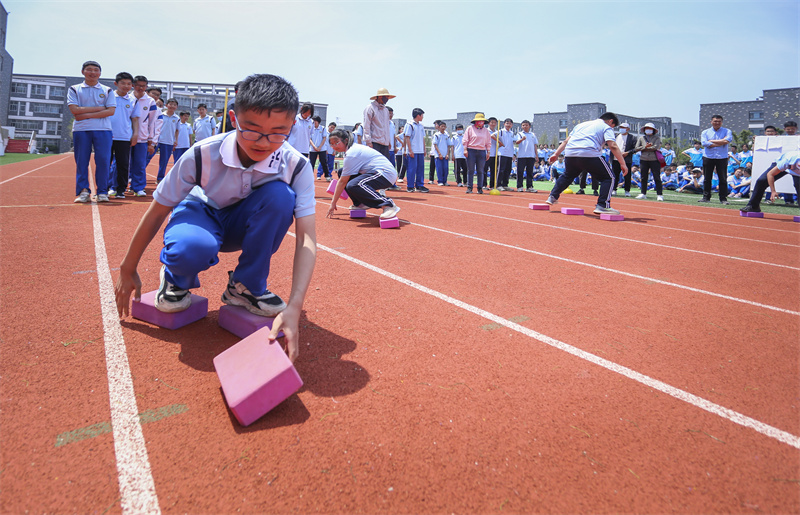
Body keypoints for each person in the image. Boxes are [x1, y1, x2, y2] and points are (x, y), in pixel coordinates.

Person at [114, 74, 317, 363]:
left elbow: (307, 236)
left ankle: (245, 287)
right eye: (253, 130)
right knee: (192, 248)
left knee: (281, 197)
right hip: (200, 213)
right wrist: (127, 267)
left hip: (241, 224)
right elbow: (158, 209)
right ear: (234, 118)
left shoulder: (295, 165)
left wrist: (295, 306)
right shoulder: (203, 154)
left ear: (292, 126)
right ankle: (175, 278)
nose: (263, 142)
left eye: (277, 132)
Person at [546, 112, 627, 215]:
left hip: (570, 154)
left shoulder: (581, 125)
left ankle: (552, 196)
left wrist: (556, 154)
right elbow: (613, 145)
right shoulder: (606, 127)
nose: (612, 128)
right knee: (609, 178)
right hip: (589, 153)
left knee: (568, 175)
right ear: (611, 121)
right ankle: (602, 205)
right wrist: (622, 163)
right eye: (613, 126)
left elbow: (566, 141)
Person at [326, 129, 400, 220]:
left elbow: (342, 182)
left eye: (336, 142)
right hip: (377, 172)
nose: (334, 146)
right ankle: (361, 203)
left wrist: (333, 203)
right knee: (342, 172)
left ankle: (388, 205)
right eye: (331, 144)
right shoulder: (351, 150)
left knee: (354, 185)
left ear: (345, 140)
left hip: (385, 174)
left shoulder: (351, 153)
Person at [68, 60, 115, 203]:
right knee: (81, 161)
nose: (92, 73)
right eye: (89, 69)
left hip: (103, 130)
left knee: (103, 161)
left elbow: (111, 111)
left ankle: (102, 192)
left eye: (96, 70)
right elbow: (74, 110)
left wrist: (85, 114)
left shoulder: (107, 90)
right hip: (81, 130)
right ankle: (83, 191)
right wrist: (101, 108)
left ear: (100, 73)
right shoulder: (75, 89)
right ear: (83, 72)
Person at [108, 72, 139, 199]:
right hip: (107, 135)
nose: (126, 86)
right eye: (123, 83)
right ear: (116, 84)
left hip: (124, 136)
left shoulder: (132, 100)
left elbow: (135, 119)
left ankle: (121, 190)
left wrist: (135, 134)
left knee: (123, 164)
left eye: (128, 84)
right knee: (105, 163)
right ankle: (103, 188)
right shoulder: (108, 96)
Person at [129, 76, 161, 197]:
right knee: (120, 163)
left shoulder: (150, 101)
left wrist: (151, 140)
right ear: (133, 85)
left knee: (140, 163)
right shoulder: (127, 98)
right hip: (125, 136)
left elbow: (152, 122)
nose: (140, 88)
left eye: (143, 86)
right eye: (138, 85)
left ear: (146, 87)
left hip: (142, 137)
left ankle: (138, 187)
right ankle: (116, 186)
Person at [699, 114, 733, 204]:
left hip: (722, 157)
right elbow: (704, 143)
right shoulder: (705, 132)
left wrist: (711, 141)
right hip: (708, 157)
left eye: (719, 121)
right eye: (715, 121)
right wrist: (722, 141)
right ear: (711, 122)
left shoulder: (727, 131)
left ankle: (723, 198)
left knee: (722, 179)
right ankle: (706, 197)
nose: (717, 123)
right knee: (707, 178)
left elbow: (728, 140)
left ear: (722, 122)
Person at [632, 122, 664, 201]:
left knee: (657, 177)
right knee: (643, 177)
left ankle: (659, 194)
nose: (648, 130)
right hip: (643, 159)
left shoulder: (657, 138)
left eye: (650, 129)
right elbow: (636, 148)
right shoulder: (641, 138)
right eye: (647, 129)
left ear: (653, 130)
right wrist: (645, 147)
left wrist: (645, 148)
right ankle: (643, 193)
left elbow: (655, 147)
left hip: (654, 160)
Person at [462, 113, 492, 194]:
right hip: (471, 150)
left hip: (482, 151)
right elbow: (465, 140)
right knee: (471, 170)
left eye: (482, 121)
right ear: (475, 121)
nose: (480, 122)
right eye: (479, 121)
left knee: (480, 170)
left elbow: (488, 142)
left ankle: (480, 188)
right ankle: (469, 187)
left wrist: (488, 151)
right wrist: (465, 149)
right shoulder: (470, 129)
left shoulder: (486, 131)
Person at [362, 87, 395, 159]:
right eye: (386, 97)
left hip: (384, 144)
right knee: (373, 165)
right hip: (374, 142)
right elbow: (366, 126)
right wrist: (368, 141)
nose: (387, 99)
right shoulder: (370, 108)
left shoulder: (385, 110)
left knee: (384, 165)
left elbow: (386, 127)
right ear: (380, 96)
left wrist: (388, 141)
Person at [403, 108, 428, 193]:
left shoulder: (421, 126)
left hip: (420, 150)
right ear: (418, 115)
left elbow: (423, 138)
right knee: (412, 168)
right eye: (422, 115)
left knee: (420, 168)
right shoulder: (409, 125)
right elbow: (407, 137)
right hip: (413, 150)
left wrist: (424, 149)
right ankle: (410, 186)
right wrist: (410, 150)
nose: (423, 117)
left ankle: (420, 185)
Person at [156, 99, 180, 183]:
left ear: (176, 107)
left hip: (168, 141)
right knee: (146, 158)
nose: (172, 106)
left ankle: (160, 178)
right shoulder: (160, 114)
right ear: (166, 105)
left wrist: (175, 140)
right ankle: (139, 178)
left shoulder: (177, 118)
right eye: (170, 104)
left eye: (174, 105)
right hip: (157, 140)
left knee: (164, 161)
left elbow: (177, 130)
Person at [611, 122, 636, 197]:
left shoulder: (632, 138)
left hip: (626, 159)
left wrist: (627, 153)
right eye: (620, 127)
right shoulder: (616, 136)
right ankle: (614, 189)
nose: (621, 129)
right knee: (615, 175)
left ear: (628, 129)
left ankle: (627, 190)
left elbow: (635, 148)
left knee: (627, 175)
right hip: (616, 159)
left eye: (623, 128)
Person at [515, 120, 539, 192]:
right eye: (523, 125)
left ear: (529, 126)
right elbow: (516, 142)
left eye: (526, 125)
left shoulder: (533, 135)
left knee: (530, 172)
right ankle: (519, 186)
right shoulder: (519, 134)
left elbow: (535, 145)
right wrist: (522, 139)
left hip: (531, 156)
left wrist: (536, 155)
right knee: (520, 172)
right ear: (521, 126)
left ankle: (529, 186)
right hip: (521, 156)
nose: (525, 126)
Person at [309, 115, 330, 180]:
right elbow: (309, 139)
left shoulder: (323, 128)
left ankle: (327, 176)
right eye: (313, 121)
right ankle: (309, 177)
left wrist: (320, 147)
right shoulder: (310, 128)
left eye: (315, 121)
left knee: (324, 162)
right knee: (311, 163)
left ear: (318, 122)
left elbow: (324, 138)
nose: (313, 122)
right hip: (312, 149)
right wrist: (314, 147)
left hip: (322, 149)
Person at [496, 118, 515, 190]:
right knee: (501, 169)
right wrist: (500, 142)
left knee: (508, 170)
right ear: (504, 124)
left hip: (509, 154)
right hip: (502, 153)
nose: (508, 125)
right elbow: (492, 136)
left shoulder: (512, 133)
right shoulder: (501, 131)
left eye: (510, 123)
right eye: (507, 123)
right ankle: (498, 184)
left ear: (512, 125)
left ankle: (505, 184)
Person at [432, 121, 450, 186]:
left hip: (445, 154)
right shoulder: (436, 135)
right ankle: (440, 181)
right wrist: (439, 154)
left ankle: (445, 181)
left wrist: (448, 154)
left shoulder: (447, 135)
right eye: (442, 126)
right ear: (439, 127)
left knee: (446, 168)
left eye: (444, 126)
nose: (443, 127)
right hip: (438, 155)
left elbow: (449, 145)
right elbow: (435, 145)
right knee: (439, 168)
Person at [484, 117, 500, 189]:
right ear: (488, 123)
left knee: (494, 170)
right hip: (486, 153)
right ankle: (483, 184)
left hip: (495, 154)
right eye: (491, 122)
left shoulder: (498, 132)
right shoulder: (485, 131)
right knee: (484, 170)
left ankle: (492, 185)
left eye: (494, 123)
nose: (493, 124)